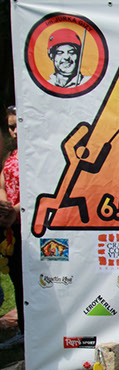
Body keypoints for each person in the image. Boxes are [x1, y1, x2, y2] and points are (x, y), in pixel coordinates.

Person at [0, 105, 23, 344]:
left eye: (19, 124)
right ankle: (23, 331)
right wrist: (4, 204)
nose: (15, 131)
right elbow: (2, 182)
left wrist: (15, 210)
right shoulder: (10, 156)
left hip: (34, 228)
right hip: (12, 228)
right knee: (17, 278)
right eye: (11, 127)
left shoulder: (39, 154)